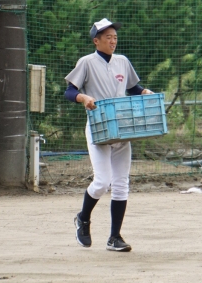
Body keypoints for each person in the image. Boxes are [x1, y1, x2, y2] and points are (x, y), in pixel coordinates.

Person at [64, 18, 153, 252]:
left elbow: (133, 88)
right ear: (96, 41)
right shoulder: (87, 62)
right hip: (99, 126)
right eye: (108, 37)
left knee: (121, 184)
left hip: (122, 127)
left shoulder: (122, 61)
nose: (113, 41)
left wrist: (144, 92)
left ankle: (115, 237)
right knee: (102, 182)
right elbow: (70, 91)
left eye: (115, 37)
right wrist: (83, 98)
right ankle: (83, 218)